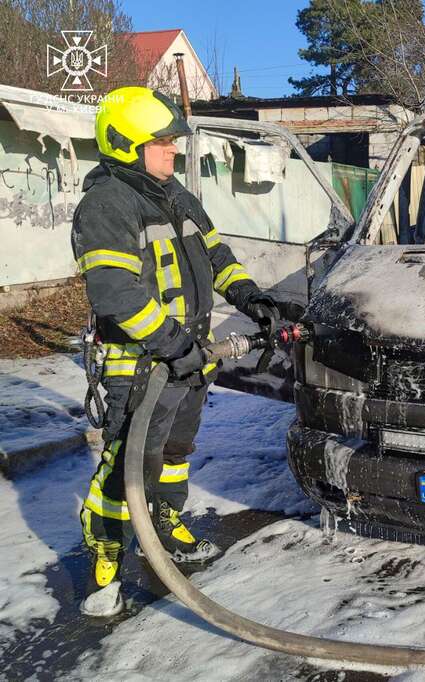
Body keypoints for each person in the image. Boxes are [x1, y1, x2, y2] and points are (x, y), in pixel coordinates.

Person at [72, 86, 278, 617]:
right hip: (140, 363)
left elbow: (218, 255)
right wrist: (171, 345)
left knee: (173, 454)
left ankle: (164, 524)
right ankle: (107, 559)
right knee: (128, 461)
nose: (172, 150)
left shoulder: (178, 196)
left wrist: (250, 297)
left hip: (188, 359)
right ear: (126, 145)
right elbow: (116, 293)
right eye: (161, 142)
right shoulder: (107, 205)